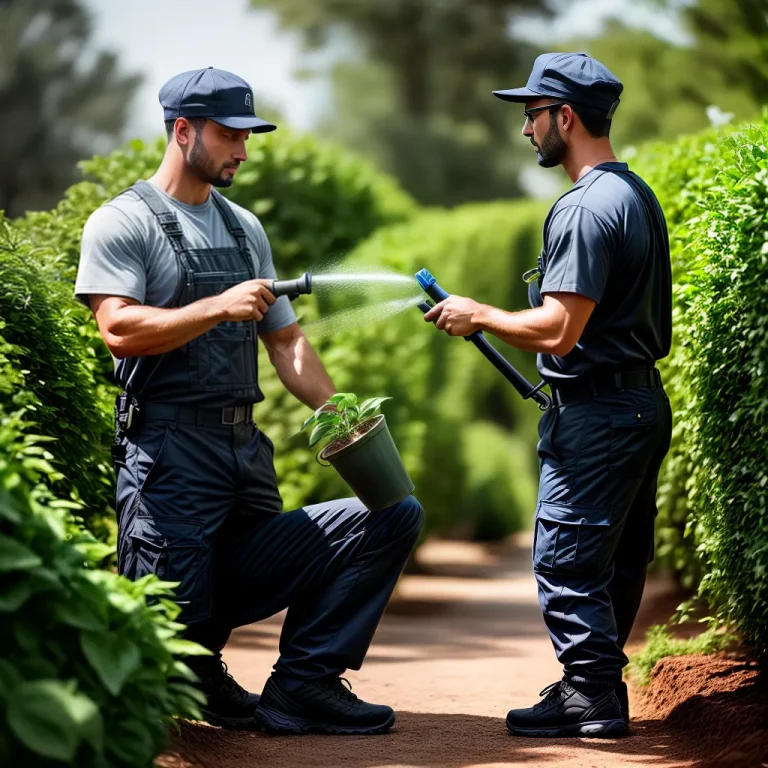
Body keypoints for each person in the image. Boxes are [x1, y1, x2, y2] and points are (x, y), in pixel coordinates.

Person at [75, 66, 423, 735]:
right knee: (169, 620)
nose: (243, 148)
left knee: (391, 514)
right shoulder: (122, 223)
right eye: (230, 134)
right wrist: (216, 307)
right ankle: (192, 675)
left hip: (242, 456)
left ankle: (305, 683)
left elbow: (287, 342)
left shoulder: (245, 230)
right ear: (182, 130)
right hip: (168, 460)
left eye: (249, 134)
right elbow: (118, 329)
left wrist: (341, 412)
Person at [424, 52, 672, 738]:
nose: (526, 131)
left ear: (565, 116)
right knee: (614, 558)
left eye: (532, 116)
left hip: (599, 414)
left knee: (564, 558)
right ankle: (587, 683)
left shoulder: (585, 207)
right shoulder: (635, 195)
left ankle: (592, 694)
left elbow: (561, 329)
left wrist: (482, 315)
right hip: (637, 403)